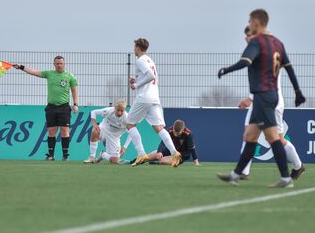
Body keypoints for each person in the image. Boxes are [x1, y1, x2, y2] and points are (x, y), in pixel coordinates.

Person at [217, 9, 306, 188]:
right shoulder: (277, 43)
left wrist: (226, 69)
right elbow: (288, 67)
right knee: (250, 135)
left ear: (256, 22)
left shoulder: (257, 41)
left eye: (250, 21)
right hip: (270, 96)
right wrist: (298, 92)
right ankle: (236, 174)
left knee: (274, 138)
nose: (249, 24)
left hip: (263, 97)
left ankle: (286, 179)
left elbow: (246, 61)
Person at [238, 26, 305, 180]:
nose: (246, 39)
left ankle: (298, 165)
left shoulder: (264, 51)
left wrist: (250, 98)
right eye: (246, 37)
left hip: (270, 102)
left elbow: (265, 81)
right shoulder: (262, 49)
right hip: (262, 101)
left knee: (277, 139)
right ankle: (244, 172)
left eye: (249, 36)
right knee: (248, 135)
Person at [125, 38, 182, 167]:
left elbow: (151, 76)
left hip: (144, 97)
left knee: (129, 124)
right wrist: (137, 79)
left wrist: (136, 84)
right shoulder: (150, 60)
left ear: (138, 48)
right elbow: (149, 76)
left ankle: (141, 154)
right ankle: (174, 152)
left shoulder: (140, 60)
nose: (133, 49)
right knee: (159, 128)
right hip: (154, 97)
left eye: (134, 47)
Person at [13, 56, 78, 161]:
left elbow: (74, 91)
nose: (59, 65)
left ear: (64, 64)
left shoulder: (70, 76)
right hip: (51, 107)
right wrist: (21, 67)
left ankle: (65, 156)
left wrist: (75, 104)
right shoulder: (49, 74)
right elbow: (34, 72)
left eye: (61, 63)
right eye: (57, 63)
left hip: (64, 107)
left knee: (65, 131)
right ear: (54, 64)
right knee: (51, 131)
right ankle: (51, 155)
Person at [128, 119, 200, 166]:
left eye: (178, 133)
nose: (175, 134)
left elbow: (192, 149)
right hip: (169, 150)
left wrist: (196, 162)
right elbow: (163, 142)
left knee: (163, 161)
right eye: (175, 132)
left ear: (183, 130)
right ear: (173, 127)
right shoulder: (170, 130)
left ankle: (155, 163)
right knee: (149, 156)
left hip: (181, 155)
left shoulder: (188, 134)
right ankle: (132, 162)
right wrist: (159, 152)